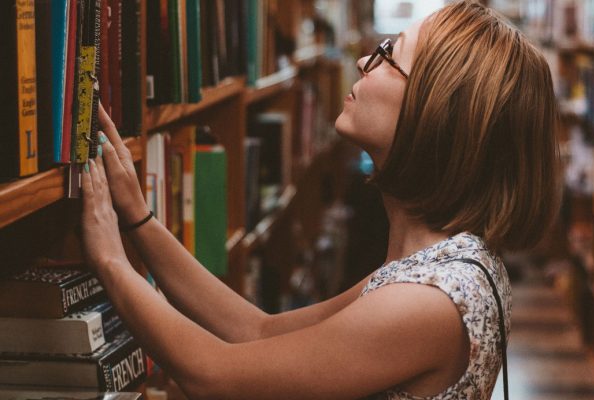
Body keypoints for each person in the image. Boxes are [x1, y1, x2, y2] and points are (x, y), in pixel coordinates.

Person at [80, 1, 560, 399]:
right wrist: (139, 221)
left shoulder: (429, 300)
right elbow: (259, 332)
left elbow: (214, 375)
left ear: (435, 113)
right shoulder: (435, 264)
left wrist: (109, 260)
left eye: (388, 55)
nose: (362, 62)